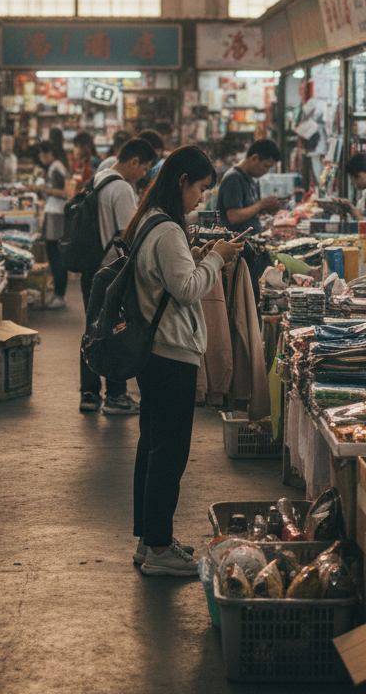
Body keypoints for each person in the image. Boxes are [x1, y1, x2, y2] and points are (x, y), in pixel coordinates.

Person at [123, 145, 246, 576]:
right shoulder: (168, 230)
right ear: (182, 182)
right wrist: (216, 258)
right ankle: (159, 550)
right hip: (170, 353)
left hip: (154, 352)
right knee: (169, 455)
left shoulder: (149, 219)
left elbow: (167, 280)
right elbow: (188, 290)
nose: (202, 198)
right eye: (200, 188)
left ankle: (149, 540)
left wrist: (196, 258)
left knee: (153, 447)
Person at [80, 137, 157, 415]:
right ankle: (116, 396)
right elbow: (129, 233)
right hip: (113, 271)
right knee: (116, 330)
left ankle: (89, 393)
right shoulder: (122, 187)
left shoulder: (98, 178)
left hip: (90, 266)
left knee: (93, 329)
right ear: (134, 162)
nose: (143, 175)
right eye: (144, 168)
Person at [215, 138, 282, 234]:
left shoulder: (250, 178)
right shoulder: (233, 178)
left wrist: (266, 208)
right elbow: (233, 216)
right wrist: (262, 204)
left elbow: (248, 210)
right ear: (254, 158)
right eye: (266, 166)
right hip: (236, 241)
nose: (266, 171)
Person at [34, 140, 68, 309]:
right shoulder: (56, 167)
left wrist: (43, 188)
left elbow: (64, 192)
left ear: (49, 154)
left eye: (42, 153)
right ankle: (58, 294)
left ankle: (59, 295)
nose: (40, 156)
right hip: (55, 213)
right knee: (54, 255)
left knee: (55, 256)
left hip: (56, 214)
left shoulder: (56, 168)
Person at [336, 152, 366, 220]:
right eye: (351, 178)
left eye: (357, 176)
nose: (354, 181)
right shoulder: (365, 194)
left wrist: (352, 211)